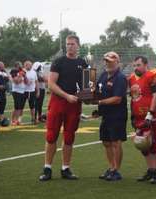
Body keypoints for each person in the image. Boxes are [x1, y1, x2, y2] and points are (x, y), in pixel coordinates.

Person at [39, 35, 86, 181]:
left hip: (74, 104)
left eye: (72, 44)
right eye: (68, 44)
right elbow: (51, 84)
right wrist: (67, 96)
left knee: (69, 136)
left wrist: (90, 96)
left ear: (78, 45)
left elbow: (87, 86)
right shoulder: (59, 61)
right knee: (52, 135)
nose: (69, 46)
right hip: (59, 102)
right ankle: (47, 168)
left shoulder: (83, 63)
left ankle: (65, 168)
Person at [128, 56, 156, 184]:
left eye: (138, 65)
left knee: (153, 145)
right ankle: (150, 170)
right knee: (142, 146)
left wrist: (151, 113)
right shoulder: (131, 78)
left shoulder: (152, 75)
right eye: (134, 65)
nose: (136, 67)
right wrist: (133, 116)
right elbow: (134, 98)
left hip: (152, 117)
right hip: (139, 118)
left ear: (146, 64)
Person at [97, 51, 127, 181]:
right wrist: (87, 95)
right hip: (105, 114)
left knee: (115, 142)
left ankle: (116, 170)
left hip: (117, 115)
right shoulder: (103, 75)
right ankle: (111, 167)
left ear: (117, 62)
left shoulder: (120, 77)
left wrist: (100, 101)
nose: (107, 63)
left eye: (110, 61)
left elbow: (117, 99)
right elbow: (96, 91)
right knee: (106, 142)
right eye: (106, 61)